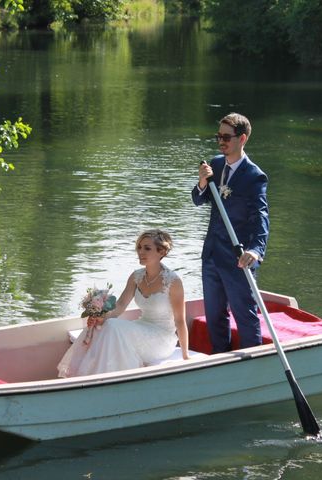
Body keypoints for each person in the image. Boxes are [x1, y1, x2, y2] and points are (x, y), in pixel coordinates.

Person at [57, 229, 189, 378]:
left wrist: (185, 356)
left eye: (147, 248)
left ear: (161, 252)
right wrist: (101, 317)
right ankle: (91, 377)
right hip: (142, 326)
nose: (141, 252)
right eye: (139, 247)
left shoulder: (173, 281)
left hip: (161, 339)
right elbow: (119, 306)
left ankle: (102, 378)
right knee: (105, 325)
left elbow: (180, 320)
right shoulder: (136, 276)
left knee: (113, 326)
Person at [191, 113, 269, 353]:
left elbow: (261, 217)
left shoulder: (254, 176)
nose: (221, 141)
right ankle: (220, 359)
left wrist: (255, 251)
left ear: (242, 138)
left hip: (238, 258)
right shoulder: (214, 164)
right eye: (218, 136)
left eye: (226, 137)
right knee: (214, 315)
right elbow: (197, 199)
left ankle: (253, 365)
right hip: (212, 253)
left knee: (244, 315)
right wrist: (202, 183)